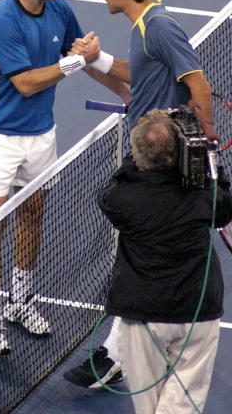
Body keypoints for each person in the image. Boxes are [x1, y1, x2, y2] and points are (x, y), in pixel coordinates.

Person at [0, 0, 130, 357]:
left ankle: (20, 300)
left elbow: (87, 61)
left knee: (33, 215)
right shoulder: (1, 21)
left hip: (41, 134)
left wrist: (131, 95)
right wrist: (75, 61)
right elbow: (25, 83)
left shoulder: (59, 10)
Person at [64, 0, 215, 388]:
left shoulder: (160, 26)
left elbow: (199, 85)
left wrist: (201, 148)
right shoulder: (144, 26)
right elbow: (141, 75)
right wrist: (95, 58)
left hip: (157, 163)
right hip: (148, 156)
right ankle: (124, 351)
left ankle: (120, 356)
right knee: (139, 254)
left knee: (137, 256)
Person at [96, 110, 232, 413]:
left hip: (144, 319)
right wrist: (210, 164)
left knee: (149, 407)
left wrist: (139, 158)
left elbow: (109, 190)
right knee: (185, 401)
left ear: (138, 153)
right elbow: (224, 202)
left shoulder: (122, 200)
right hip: (198, 314)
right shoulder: (202, 197)